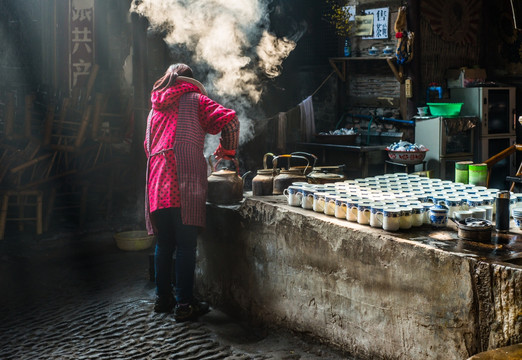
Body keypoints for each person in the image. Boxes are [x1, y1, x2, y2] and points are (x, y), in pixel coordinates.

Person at [144, 63, 239, 321]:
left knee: (164, 243)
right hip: (183, 181)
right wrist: (228, 152)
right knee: (186, 245)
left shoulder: (154, 109)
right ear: (190, 82)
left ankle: (162, 299)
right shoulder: (196, 100)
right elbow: (230, 121)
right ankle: (184, 304)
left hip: (157, 183)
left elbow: (147, 146)